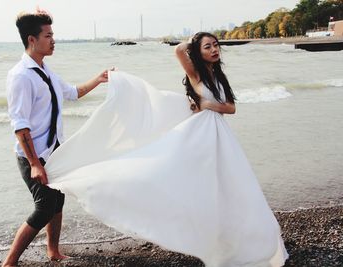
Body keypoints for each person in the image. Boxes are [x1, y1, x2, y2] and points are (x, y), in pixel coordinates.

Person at [44, 32, 288, 266]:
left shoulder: (219, 77)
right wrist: (194, 41)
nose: (214, 49)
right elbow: (179, 50)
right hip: (200, 135)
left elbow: (231, 108)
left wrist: (205, 103)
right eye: (208, 46)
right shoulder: (196, 75)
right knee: (176, 179)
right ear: (199, 52)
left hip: (220, 136)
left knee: (231, 186)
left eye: (216, 45)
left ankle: (236, 242)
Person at [3, 10, 110, 267]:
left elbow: (73, 93)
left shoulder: (46, 71)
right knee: (44, 208)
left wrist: (100, 78)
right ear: (32, 39)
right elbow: (20, 124)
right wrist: (35, 164)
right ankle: (9, 262)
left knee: (57, 202)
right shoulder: (20, 76)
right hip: (34, 156)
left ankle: (53, 251)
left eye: (53, 35)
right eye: (48, 35)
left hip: (54, 150)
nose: (53, 40)